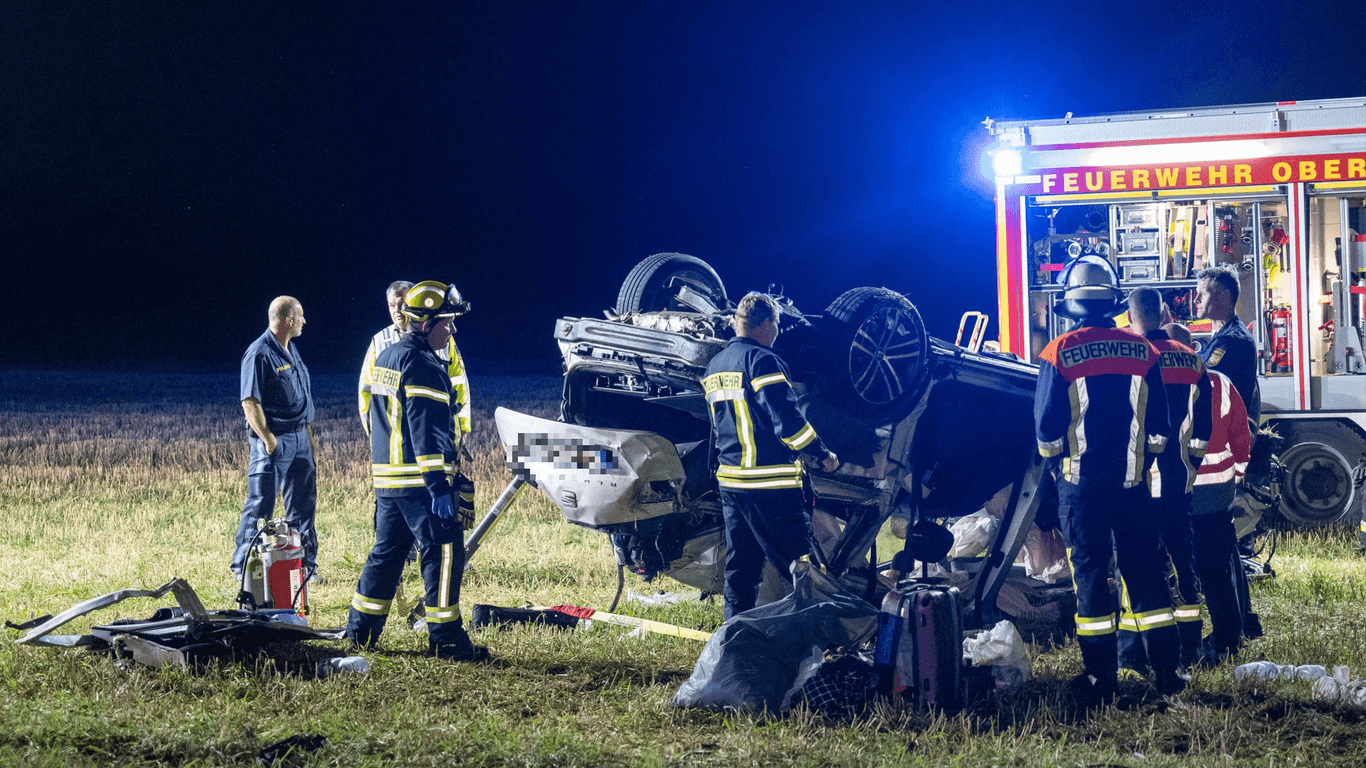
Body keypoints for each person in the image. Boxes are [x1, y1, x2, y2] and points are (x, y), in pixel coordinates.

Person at [1034, 256, 1184, 703]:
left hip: (1082, 489)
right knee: (1146, 574)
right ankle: (1167, 673)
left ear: (1072, 304)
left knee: (1094, 578)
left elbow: (1045, 427)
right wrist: (1142, 462)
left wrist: (1059, 470)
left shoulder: (1057, 352)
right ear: (1113, 301)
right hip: (1132, 487)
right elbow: (1162, 422)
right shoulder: (1145, 351)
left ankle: (1102, 679)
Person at [346, 281, 486, 660]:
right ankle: (447, 640)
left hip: (389, 481)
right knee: (443, 555)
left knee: (386, 556)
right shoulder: (423, 365)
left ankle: (359, 632)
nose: (452, 330)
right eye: (447, 322)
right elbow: (425, 431)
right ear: (424, 323)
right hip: (421, 484)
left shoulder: (388, 357)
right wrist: (439, 486)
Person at [703, 292, 838, 620]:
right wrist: (822, 454)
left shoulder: (716, 365)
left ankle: (734, 635)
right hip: (771, 486)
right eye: (776, 324)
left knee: (741, 569)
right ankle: (812, 642)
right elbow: (787, 420)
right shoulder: (763, 361)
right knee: (799, 568)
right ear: (765, 324)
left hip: (732, 485)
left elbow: (716, 428)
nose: (777, 332)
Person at [1117, 291, 1212, 674]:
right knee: (1183, 559)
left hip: (1141, 482)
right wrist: (1193, 461)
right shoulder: (1191, 359)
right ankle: (1190, 642)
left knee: (1141, 566)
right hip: (1180, 480)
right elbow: (1203, 423)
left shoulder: (1134, 357)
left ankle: (1135, 651)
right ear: (1165, 313)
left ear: (1130, 316)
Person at [1168, 321, 1252, 666]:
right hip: (1218, 494)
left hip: (1178, 495)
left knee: (1179, 570)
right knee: (1217, 569)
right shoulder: (1221, 382)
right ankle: (1227, 638)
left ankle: (1184, 643)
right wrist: (1236, 476)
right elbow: (1242, 437)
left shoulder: (1162, 382)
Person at [1194, 263, 1263, 635]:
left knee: (1214, 551)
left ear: (1221, 297)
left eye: (1202, 292)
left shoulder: (1231, 342)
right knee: (1224, 544)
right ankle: (1243, 620)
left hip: (1216, 460)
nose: (1196, 298)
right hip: (1220, 457)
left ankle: (1229, 631)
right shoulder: (1223, 338)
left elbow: (1204, 388)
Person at [232, 296, 318, 582]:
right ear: (288, 319)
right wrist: (269, 440)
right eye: (301, 316)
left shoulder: (290, 350)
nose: (305, 321)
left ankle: (304, 565)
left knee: (303, 505)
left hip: (300, 439)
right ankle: (244, 567)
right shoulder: (258, 353)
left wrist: (308, 436)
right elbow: (249, 402)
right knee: (260, 505)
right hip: (276, 442)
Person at [359, 280, 473, 443]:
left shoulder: (445, 338)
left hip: (435, 432)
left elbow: (459, 382)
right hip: (396, 438)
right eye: (392, 305)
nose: (397, 310)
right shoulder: (378, 342)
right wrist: (372, 432)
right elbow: (366, 389)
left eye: (401, 304)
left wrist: (462, 426)